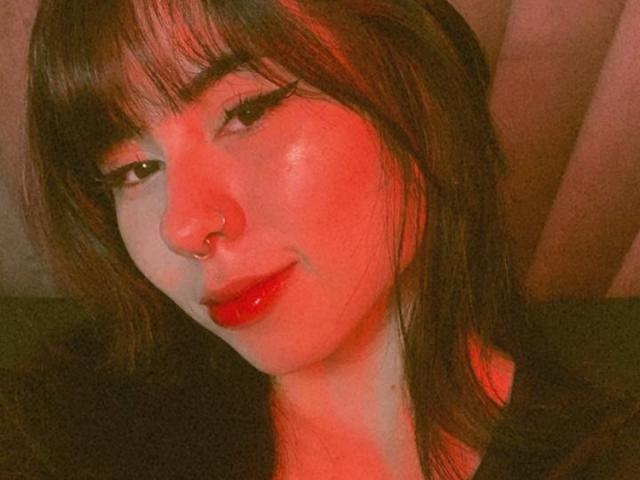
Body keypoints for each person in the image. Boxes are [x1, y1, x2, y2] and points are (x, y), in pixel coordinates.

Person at [1, 0, 638, 479]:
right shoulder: (62, 424)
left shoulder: (601, 457)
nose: (181, 227)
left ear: (421, 92)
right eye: (134, 171)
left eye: (247, 111)